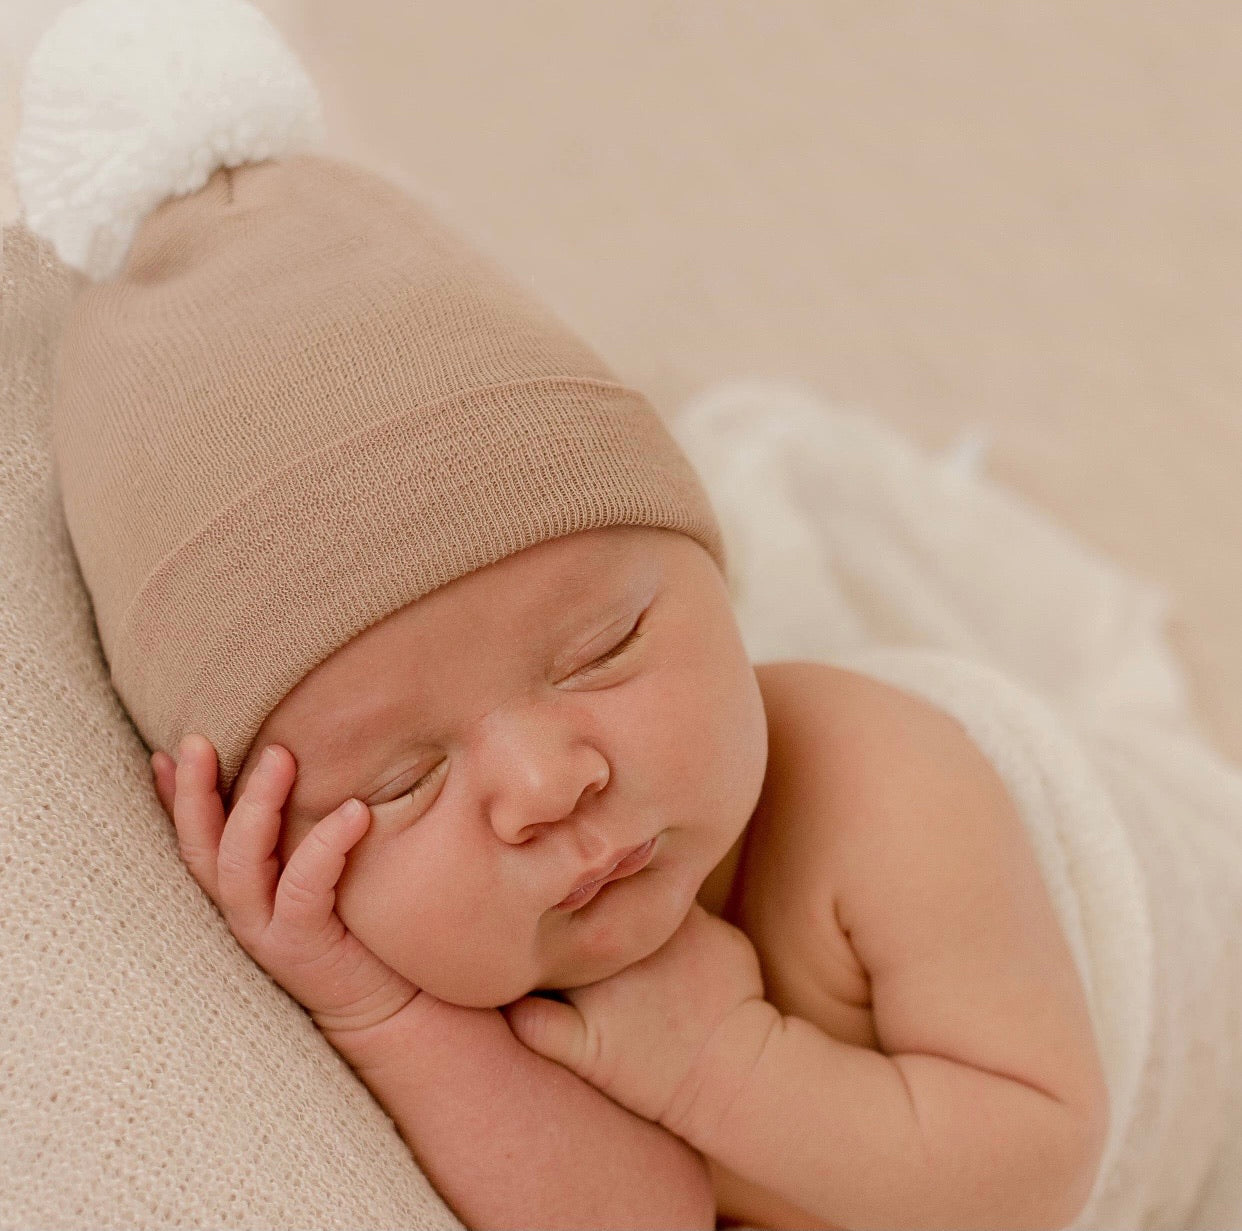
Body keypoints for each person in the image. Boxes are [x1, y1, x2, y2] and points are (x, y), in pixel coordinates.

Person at [22, 1, 1241, 1226]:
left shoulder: (882, 785)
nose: (545, 785)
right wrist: (376, 1011)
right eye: (399, 783)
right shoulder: (458, 941)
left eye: (603, 648)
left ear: (715, 578)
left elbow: (1033, 1173)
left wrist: (724, 1067)